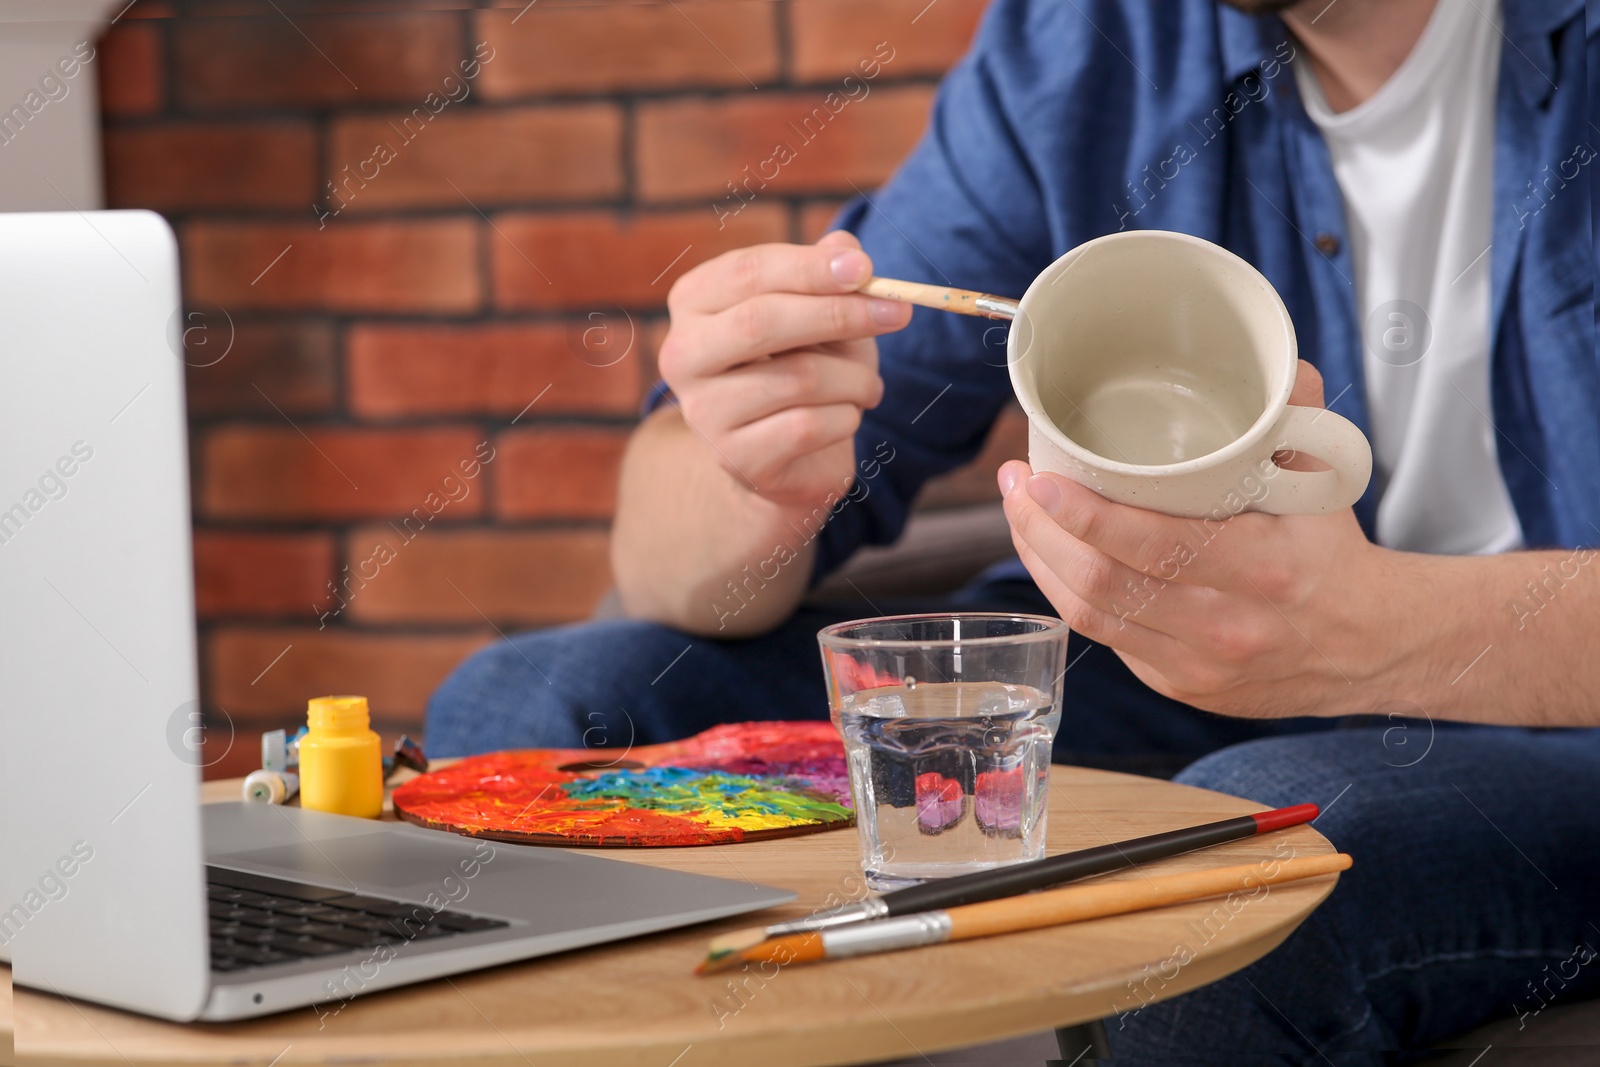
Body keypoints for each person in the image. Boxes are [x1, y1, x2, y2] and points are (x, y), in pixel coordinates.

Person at [427, 0, 1600, 1057]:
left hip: (1557, 718)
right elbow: (660, 563)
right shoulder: (1084, 48)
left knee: (1251, 859)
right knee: (542, 708)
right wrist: (754, 474)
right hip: (1167, 668)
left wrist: (1385, 631)